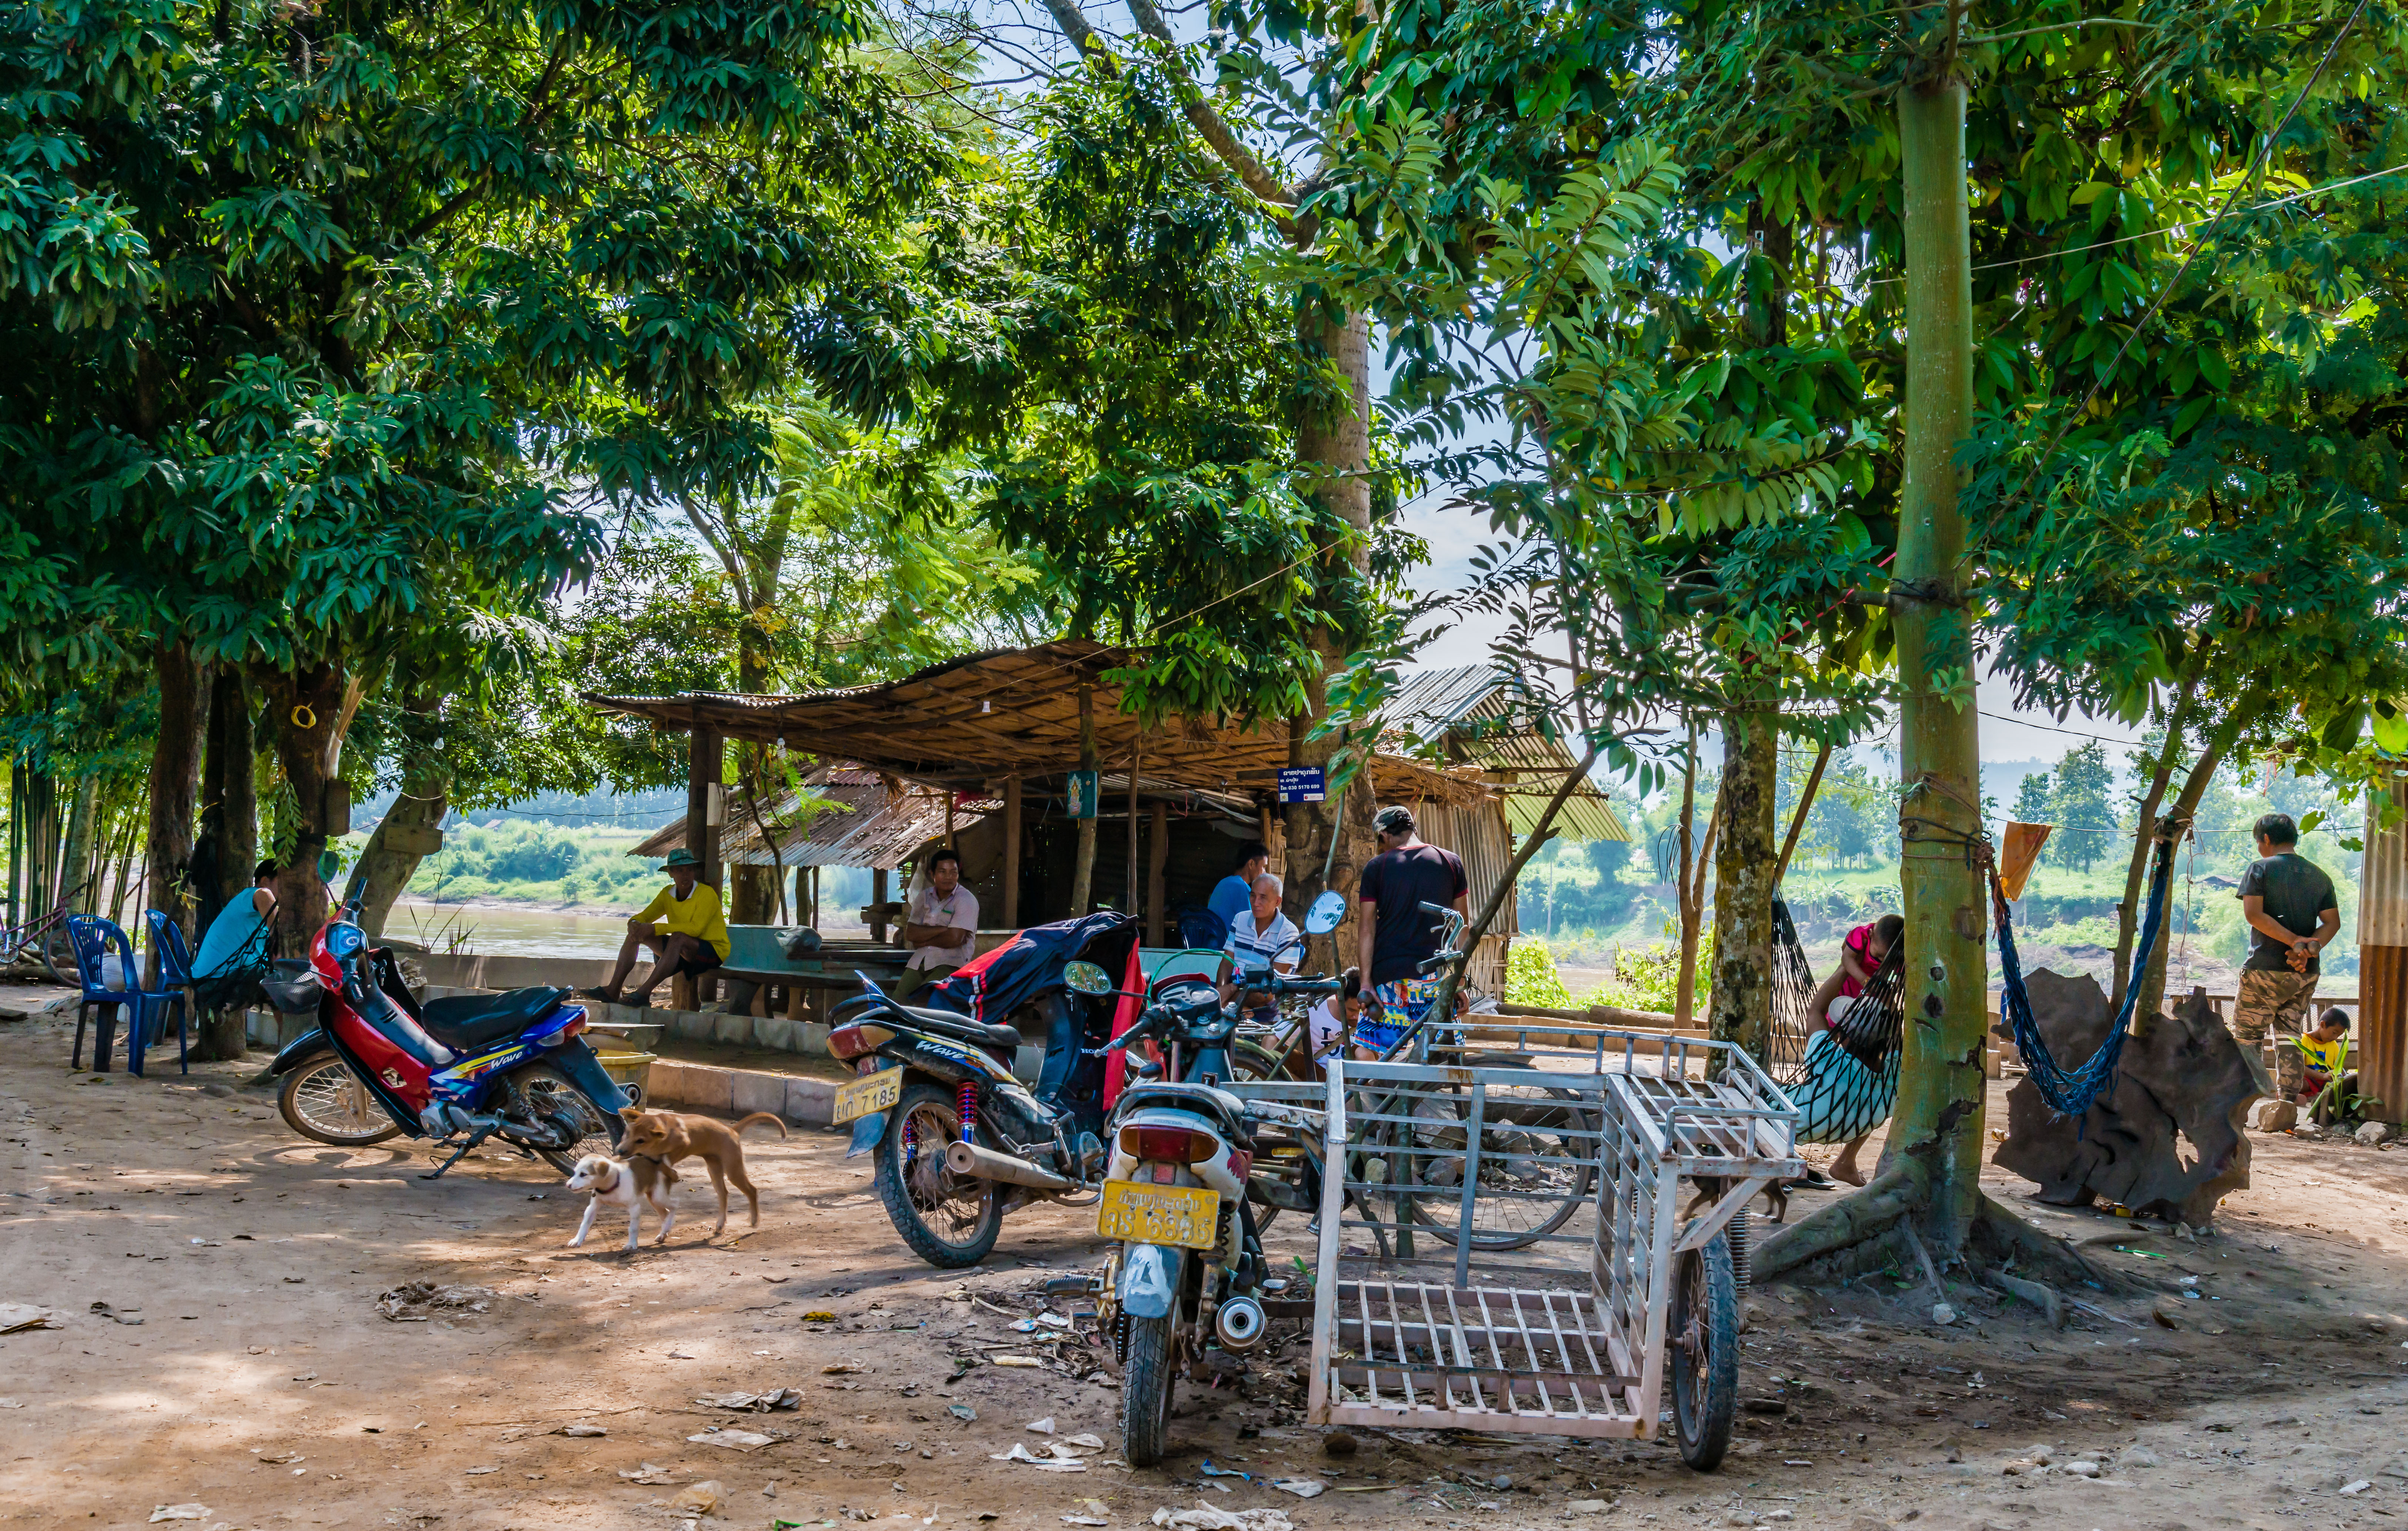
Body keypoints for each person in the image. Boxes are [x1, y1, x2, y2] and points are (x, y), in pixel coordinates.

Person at [2232, 812, 2340, 1103]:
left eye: (2259, 842)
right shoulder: (2320, 875)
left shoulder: (2260, 869)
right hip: (2304, 973)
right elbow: (2332, 923)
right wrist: (2308, 950)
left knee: (2247, 1036)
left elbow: (2254, 915)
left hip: (2264, 969)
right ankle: (2288, 1100)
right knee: (2290, 1035)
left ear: (2266, 839)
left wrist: (2295, 943)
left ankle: (2247, 1100)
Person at [1354, 805, 1469, 1055]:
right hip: (1435, 979)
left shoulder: (1376, 867)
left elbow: (1367, 930)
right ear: (1413, 828)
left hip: (1390, 978)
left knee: (1367, 1049)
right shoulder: (1450, 862)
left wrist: (1366, 984)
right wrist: (1458, 982)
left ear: (1383, 836)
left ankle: (1375, 1095)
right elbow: (1462, 928)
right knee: (1442, 1054)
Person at [1801, 911, 1904, 1188]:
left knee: (1787, 1091)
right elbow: (1896, 1042)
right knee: (1858, 1090)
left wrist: (1846, 969)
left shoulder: (1825, 1061)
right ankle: (1847, 1160)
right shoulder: (1888, 1092)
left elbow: (1815, 1011)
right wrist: (1890, 1005)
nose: (1883, 963)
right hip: (1856, 1120)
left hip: (1803, 1122)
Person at [584, 848, 730, 1006]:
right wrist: (634, 924)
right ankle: (613, 990)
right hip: (682, 953)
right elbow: (644, 916)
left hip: (712, 953)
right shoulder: (667, 894)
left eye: (689, 870)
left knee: (678, 937)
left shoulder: (706, 894)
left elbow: (696, 930)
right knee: (636, 935)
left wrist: (655, 929)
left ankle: (644, 993)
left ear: (694, 871)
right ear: (671, 873)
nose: (685, 875)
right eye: (680, 870)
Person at [191, 862, 279, 1010]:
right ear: (264, 881)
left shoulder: (245, 905)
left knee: (281, 988)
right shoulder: (261, 894)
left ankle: (283, 1033)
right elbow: (279, 937)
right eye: (282, 881)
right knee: (290, 987)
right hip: (218, 980)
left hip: (208, 978)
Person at [1219, 872, 1300, 1024]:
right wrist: (1221, 991)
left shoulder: (1289, 933)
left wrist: (1227, 998)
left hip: (1266, 1005)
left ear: (1277, 901)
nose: (1256, 903)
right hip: (1237, 993)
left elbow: (1268, 992)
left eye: (1263, 897)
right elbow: (1227, 961)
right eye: (1253, 896)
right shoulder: (1240, 920)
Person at [899, 847, 979, 1000]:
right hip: (921, 961)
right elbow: (910, 933)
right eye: (943, 872)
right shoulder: (924, 898)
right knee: (898, 1001)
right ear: (932, 874)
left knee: (924, 1000)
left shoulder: (966, 900)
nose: (949, 877)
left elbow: (954, 939)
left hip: (951, 964)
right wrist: (943, 930)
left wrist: (923, 939)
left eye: (953, 872)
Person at [2294, 1007, 2352, 1115]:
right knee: (2298, 1083)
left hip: (2326, 1082)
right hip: (2309, 1079)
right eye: (2334, 1033)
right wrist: (2322, 1076)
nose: (2335, 1038)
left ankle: (2298, 1097)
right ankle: (2289, 1095)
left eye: (2338, 1036)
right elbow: (2300, 1067)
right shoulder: (2304, 1041)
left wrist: (2345, 1078)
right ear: (2323, 1025)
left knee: (2336, 1086)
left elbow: (2338, 1067)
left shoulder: (2334, 1045)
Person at [1208, 841, 1272, 937]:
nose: (1265, 873)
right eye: (1264, 867)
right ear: (1251, 864)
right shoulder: (1241, 887)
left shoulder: (1224, 883)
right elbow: (1251, 927)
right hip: (1226, 947)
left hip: (1211, 944)